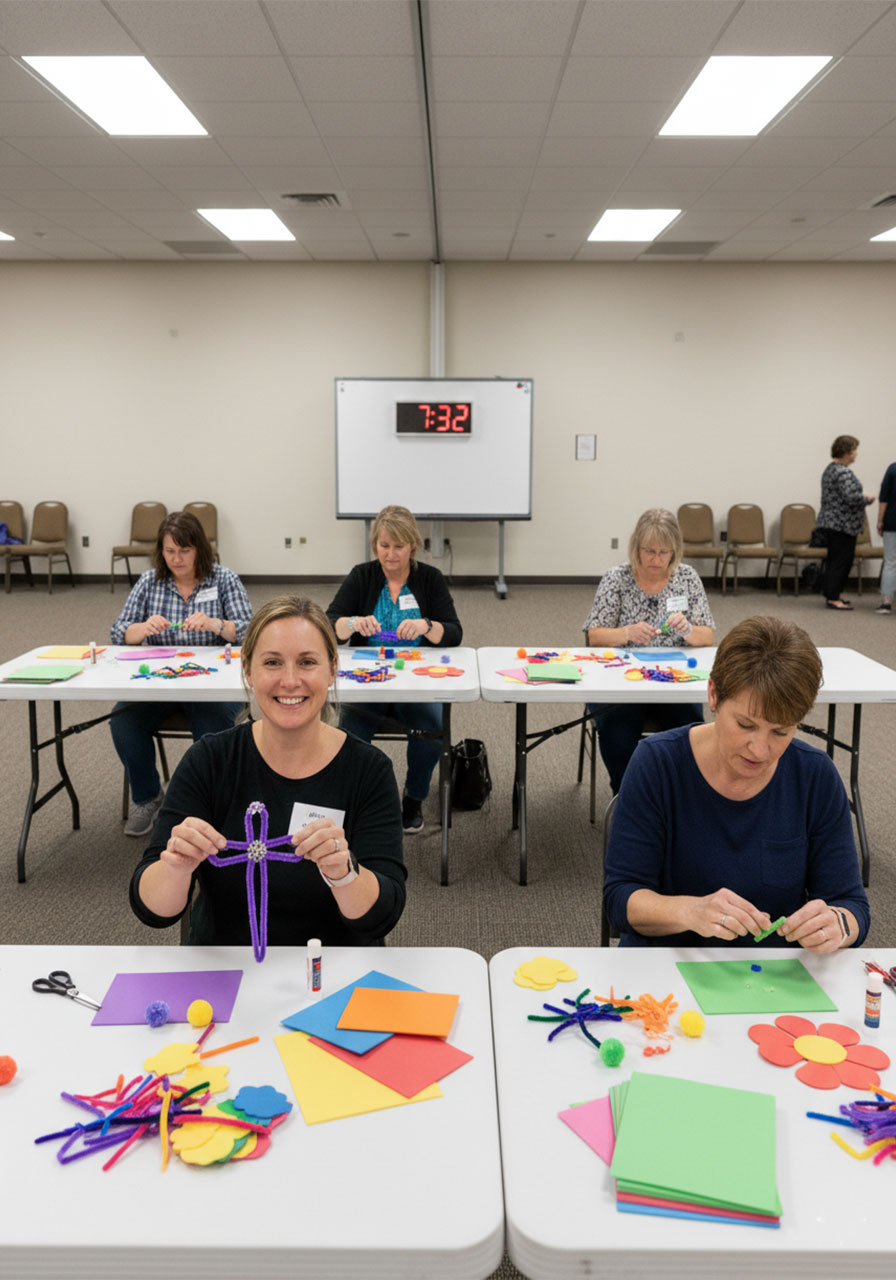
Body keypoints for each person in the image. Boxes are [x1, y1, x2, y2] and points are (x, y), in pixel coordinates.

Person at [130, 596, 406, 947]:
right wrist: (176, 868)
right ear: (247, 669)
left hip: (332, 972)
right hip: (228, 971)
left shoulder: (368, 770)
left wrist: (344, 875)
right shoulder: (210, 761)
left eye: (307, 662)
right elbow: (153, 911)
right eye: (272, 662)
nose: (290, 681)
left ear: (333, 669)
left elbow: (382, 916)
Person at [603, 616, 869, 950]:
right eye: (745, 725)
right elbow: (620, 898)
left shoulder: (814, 776)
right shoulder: (658, 763)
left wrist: (838, 924)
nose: (760, 750)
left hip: (772, 979)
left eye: (781, 732)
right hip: (667, 969)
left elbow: (851, 904)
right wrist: (691, 911)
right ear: (713, 695)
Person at [110, 511, 252, 836]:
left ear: (199, 549)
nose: (177, 558)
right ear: (161, 551)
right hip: (160, 683)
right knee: (124, 720)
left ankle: (204, 803)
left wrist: (217, 625)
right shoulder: (150, 582)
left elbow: (250, 631)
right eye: (170, 551)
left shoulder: (223, 579)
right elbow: (119, 632)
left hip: (212, 685)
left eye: (184, 551)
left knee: (212, 727)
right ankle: (148, 797)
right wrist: (141, 628)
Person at [326, 505, 462, 834]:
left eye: (398, 547)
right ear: (375, 545)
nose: (390, 554)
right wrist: (352, 623)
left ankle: (413, 799)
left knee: (431, 728)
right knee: (346, 734)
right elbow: (329, 625)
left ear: (412, 546)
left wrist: (426, 626)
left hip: (413, 680)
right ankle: (357, 801)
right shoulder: (363, 576)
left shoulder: (428, 578)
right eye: (384, 546)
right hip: (368, 681)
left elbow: (454, 632)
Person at [582, 507, 715, 794]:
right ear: (636, 548)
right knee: (617, 730)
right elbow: (594, 635)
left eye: (663, 552)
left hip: (672, 682)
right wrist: (626, 633)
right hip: (620, 682)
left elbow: (707, 635)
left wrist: (688, 630)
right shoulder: (616, 578)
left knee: (690, 731)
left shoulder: (687, 578)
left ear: (675, 551)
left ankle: (677, 798)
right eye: (649, 551)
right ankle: (628, 796)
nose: (656, 559)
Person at [817, 434, 875, 610]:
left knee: (835, 560)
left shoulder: (830, 469)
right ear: (846, 452)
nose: (856, 453)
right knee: (841, 561)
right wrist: (868, 498)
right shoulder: (842, 472)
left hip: (833, 523)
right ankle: (834, 598)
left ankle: (832, 595)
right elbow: (850, 497)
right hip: (842, 524)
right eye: (854, 450)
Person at [876, 459, 896, 614]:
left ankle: (886, 603)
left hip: (892, 521)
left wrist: (880, 520)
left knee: (890, 562)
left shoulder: (892, 469)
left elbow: (884, 499)